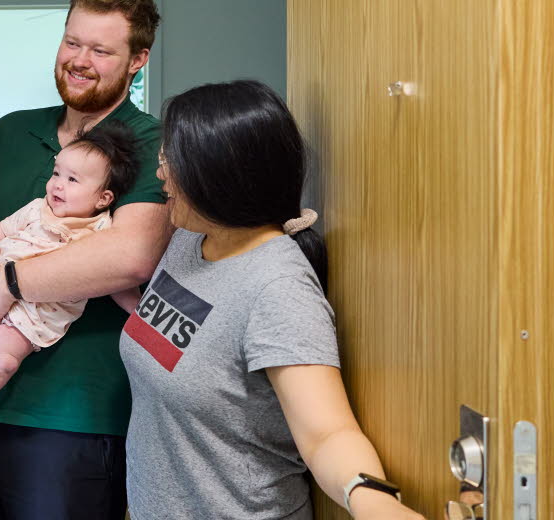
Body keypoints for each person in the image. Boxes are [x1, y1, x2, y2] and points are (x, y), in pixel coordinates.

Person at [118, 80, 422, 519]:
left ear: (218, 173)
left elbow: (327, 433)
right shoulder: (190, 237)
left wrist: (372, 500)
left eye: (171, 160)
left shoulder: (277, 287)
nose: (160, 172)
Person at [0, 1, 170, 517]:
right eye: (72, 42)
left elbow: (130, 256)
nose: (80, 60)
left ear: (138, 60)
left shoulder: (150, 142)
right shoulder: (10, 133)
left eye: (101, 49)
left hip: (76, 419)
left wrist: (12, 280)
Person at [0, 123, 141, 436]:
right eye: (56, 174)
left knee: (2, 363)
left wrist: (139, 312)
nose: (57, 185)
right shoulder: (37, 209)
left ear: (103, 197)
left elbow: (118, 282)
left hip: (33, 316)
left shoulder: (103, 232)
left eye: (72, 180)